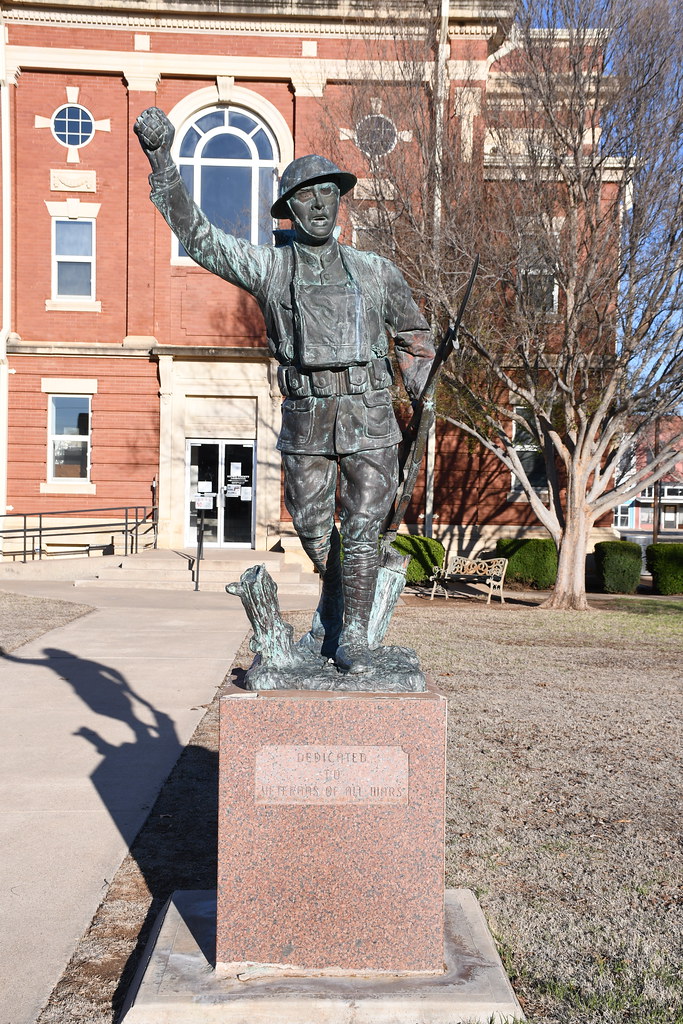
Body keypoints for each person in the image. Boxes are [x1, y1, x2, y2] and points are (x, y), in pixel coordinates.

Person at [134, 107, 434, 673]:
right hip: (306, 414)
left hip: (369, 412)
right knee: (317, 533)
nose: (320, 204)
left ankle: (355, 642)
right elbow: (199, 238)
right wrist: (161, 160)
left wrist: (419, 383)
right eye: (307, 196)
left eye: (328, 193)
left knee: (365, 527)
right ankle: (346, 610)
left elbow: (416, 335)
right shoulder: (269, 269)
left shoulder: (376, 271)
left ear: (339, 201)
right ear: (289, 208)